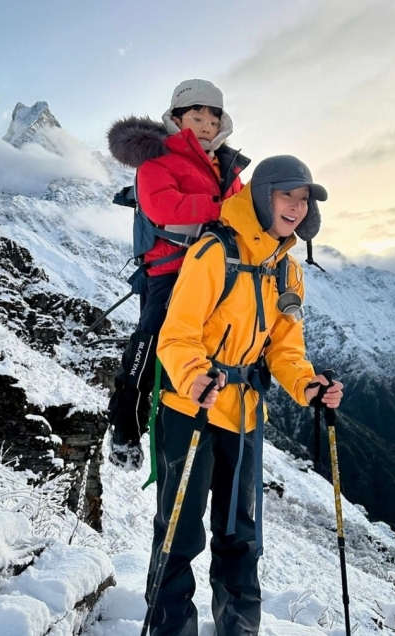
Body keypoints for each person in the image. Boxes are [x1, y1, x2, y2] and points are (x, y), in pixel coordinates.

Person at [147, 155, 344, 636]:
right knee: (179, 534)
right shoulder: (214, 252)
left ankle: (238, 629)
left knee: (241, 536)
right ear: (262, 195)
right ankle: (171, 629)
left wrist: (308, 385)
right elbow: (177, 334)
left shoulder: (287, 271)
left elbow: (285, 349)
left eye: (303, 200)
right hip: (191, 408)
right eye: (287, 196)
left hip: (245, 414)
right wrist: (195, 376)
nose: (296, 208)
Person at [106, 79, 250, 469]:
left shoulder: (226, 164)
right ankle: (125, 424)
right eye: (196, 116)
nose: (205, 125)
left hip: (219, 271)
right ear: (176, 118)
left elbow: (248, 210)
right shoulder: (157, 160)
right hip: (171, 270)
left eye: (212, 118)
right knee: (152, 339)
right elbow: (163, 206)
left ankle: (196, 421)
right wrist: (222, 208)